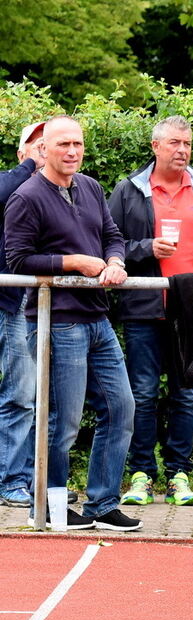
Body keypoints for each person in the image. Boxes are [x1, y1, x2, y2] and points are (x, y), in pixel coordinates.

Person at [3, 115, 141, 531]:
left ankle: (102, 503)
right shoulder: (26, 196)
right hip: (56, 321)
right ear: (42, 149)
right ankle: (48, 506)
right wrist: (75, 263)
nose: (72, 152)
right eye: (63, 144)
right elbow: (17, 259)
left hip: (97, 318)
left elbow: (113, 234)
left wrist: (115, 260)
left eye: (78, 144)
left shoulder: (92, 187)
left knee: (122, 409)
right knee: (62, 422)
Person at [109, 115, 193, 508]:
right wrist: (146, 248)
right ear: (155, 147)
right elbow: (108, 243)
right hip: (144, 308)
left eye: (187, 144)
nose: (182, 150)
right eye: (174, 144)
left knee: (186, 393)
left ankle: (179, 476)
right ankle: (141, 475)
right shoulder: (128, 190)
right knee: (143, 394)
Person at [0, 121, 43, 508]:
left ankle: (20, 479)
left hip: (29, 306)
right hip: (8, 305)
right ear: (20, 153)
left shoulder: (62, 191)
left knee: (26, 397)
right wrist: (31, 165)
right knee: (18, 396)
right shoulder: (8, 180)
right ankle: (12, 479)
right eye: (36, 144)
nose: (45, 149)